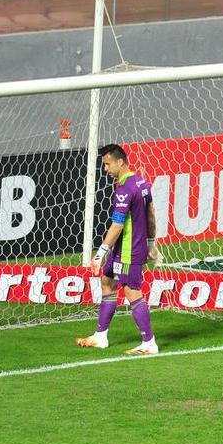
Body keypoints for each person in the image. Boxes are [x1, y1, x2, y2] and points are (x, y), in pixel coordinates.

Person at [76, 144, 160, 354]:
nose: (105, 169)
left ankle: (149, 343)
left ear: (120, 162)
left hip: (128, 251)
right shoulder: (141, 182)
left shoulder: (124, 189)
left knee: (131, 292)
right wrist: (151, 243)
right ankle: (101, 336)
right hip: (127, 247)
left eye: (107, 164)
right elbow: (150, 214)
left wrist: (100, 254)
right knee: (107, 282)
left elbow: (117, 225)